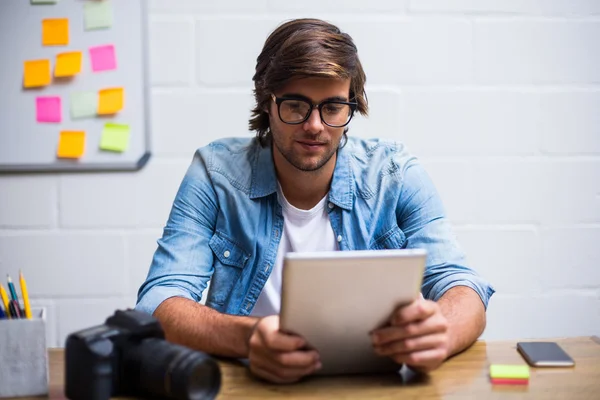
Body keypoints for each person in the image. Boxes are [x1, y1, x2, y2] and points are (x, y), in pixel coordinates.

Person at [136, 18, 494, 384]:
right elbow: (159, 301)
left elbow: (462, 285)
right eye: (296, 105)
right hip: (248, 385)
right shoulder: (215, 173)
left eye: (333, 107)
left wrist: (439, 334)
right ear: (267, 101)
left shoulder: (395, 175)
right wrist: (248, 337)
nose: (315, 126)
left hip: (369, 388)